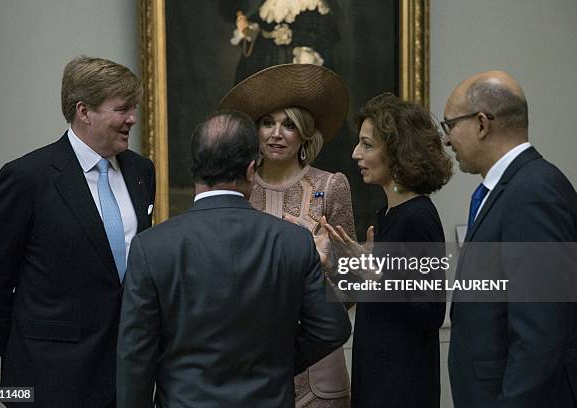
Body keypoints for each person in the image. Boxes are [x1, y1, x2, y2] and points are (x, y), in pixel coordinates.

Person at [116, 110, 351, 408]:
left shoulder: (151, 248)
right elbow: (332, 328)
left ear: (194, 168)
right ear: (251, 169)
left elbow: (135, 357)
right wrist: (278, 364)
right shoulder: (293, 241)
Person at [0, 56, 156, 408]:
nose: (132, 118)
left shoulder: (141, 171)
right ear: (84, 111)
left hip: (125, 372)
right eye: (122, 109)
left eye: (134, 108)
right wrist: (20, 343)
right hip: (47, 376)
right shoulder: (27, 177)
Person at [220, 63, 355, 407]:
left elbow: (350, 287)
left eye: (289, 125)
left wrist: (320, 267)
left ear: (305, 133)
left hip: (319, 366)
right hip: (251, 360)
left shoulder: (331, 186)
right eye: (267, 122)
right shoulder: (236, 189)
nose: (276, 133)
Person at [443, 71, 577, 408]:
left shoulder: (534, 191)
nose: (447, 140)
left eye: (449, 126)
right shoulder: (509, 188)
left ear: (482, 124)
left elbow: (541, 330)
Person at [322, 93, 451, 407]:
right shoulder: (388, 215)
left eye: (367, 145)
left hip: (402, 388)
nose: (355, 154)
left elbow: (431, 311)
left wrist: (376, 275)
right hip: (377, 379)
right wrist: (330, 264)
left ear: (396, 153)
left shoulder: (418, 216)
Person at [219, 0, 340, 84]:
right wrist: (248, 30)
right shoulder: (269, 6)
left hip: (299, 65)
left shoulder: (313, 5)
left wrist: (306, 50)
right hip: (269, 66)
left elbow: (326, 33)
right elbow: (261, 32)